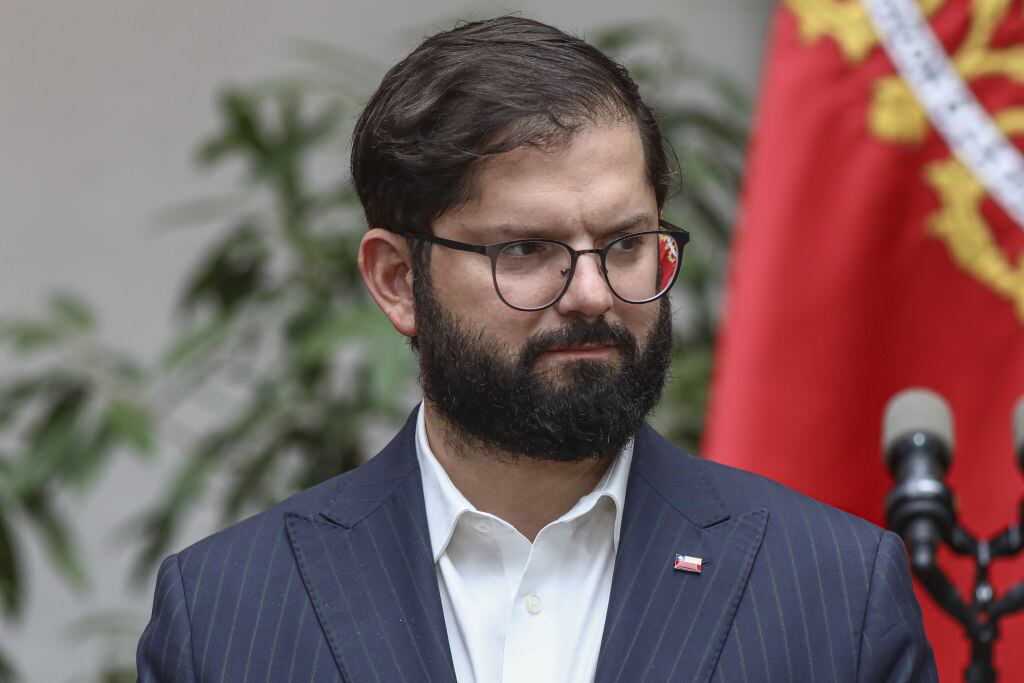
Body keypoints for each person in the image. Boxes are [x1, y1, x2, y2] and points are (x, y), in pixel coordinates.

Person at [137, 16, 937, 682]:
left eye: (625, 244)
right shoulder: (227, 610)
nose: (592, 293)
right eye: (525, 250)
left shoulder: (833, 591)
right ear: (395, 279)